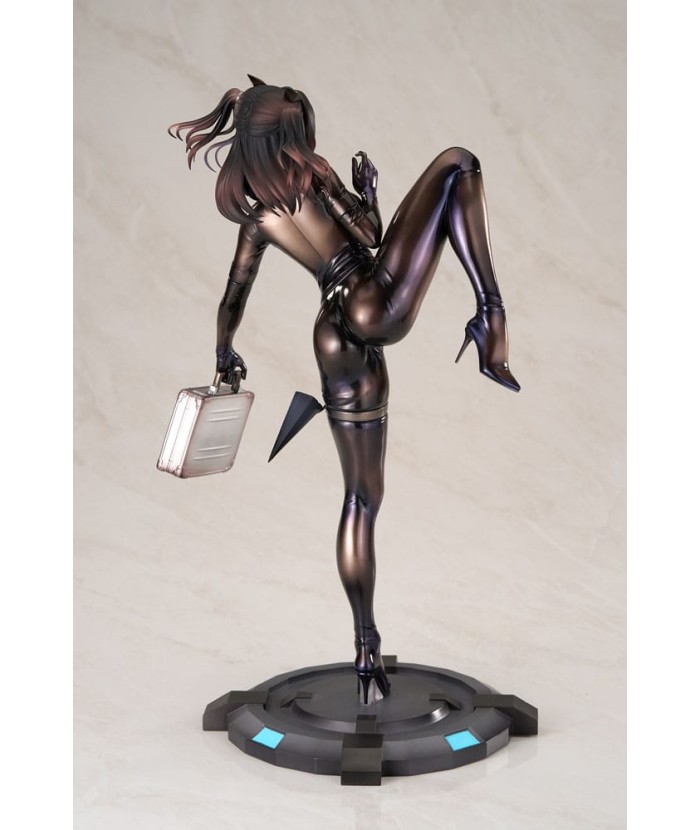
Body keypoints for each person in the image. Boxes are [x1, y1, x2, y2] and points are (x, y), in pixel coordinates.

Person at [169, 75, 520, 704]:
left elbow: (233, 296)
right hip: (369, 302)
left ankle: (365, 646)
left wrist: (224, 351)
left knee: (361, 500)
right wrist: (367, 193)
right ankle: (490, 315)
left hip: (332, 336)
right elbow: (372, 238)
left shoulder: (257, 219)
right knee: (458, 164)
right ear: (289, 135)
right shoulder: (315, 173)